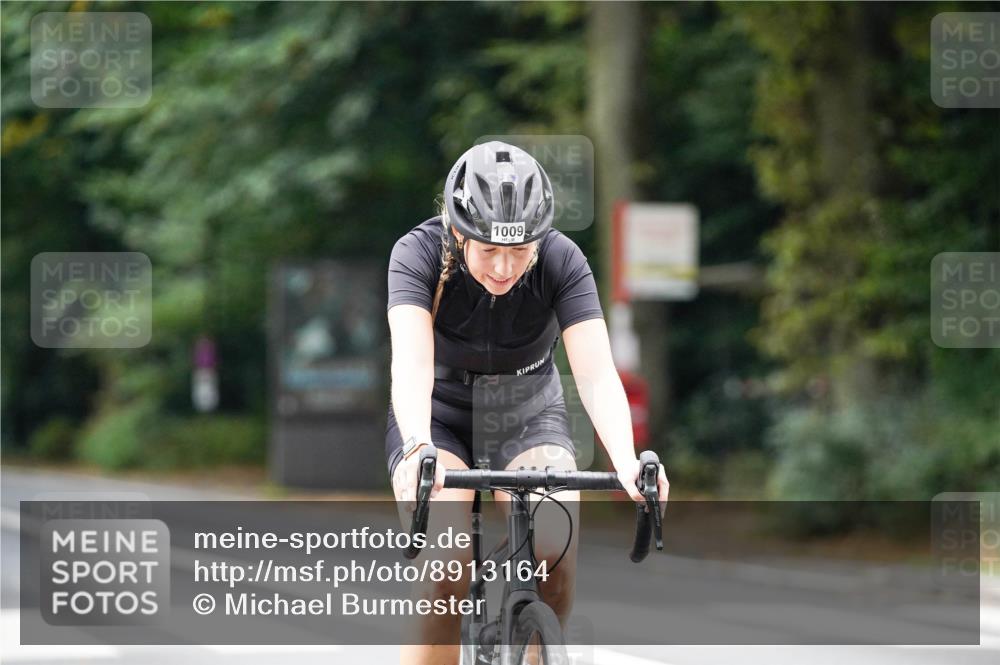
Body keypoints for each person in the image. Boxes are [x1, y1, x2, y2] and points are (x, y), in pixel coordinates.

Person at [386, 140, 669, 665]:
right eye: (489, 249)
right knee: (447, 568)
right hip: (439, 418)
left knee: (554, 554)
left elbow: (596, 372)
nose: (503, 266)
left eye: (518, 251)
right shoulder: (417, 254)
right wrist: (417, 445)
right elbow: (411, 363)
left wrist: (627, 461)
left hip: (529, 414)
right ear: (455, 232)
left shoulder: (563, 259)